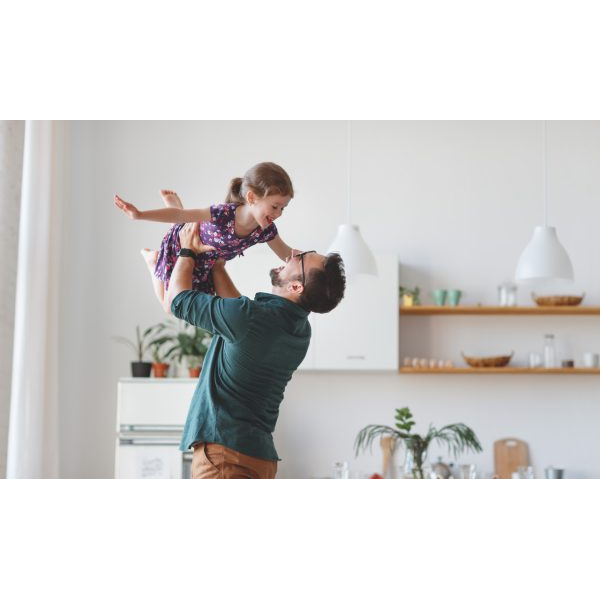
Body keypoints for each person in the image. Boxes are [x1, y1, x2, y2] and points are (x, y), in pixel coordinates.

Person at [168, 222, 346, 479]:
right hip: (258, 458)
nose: (293, 253)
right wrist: (218, 267)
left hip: (224, 457)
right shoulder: (299, 330)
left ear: (296, 287)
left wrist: (187, 251)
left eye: (302, 258)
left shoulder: (250, 318)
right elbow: (240, 319)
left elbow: (178, 300)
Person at [114, 162, 300, 312]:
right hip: (182, 248)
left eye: (283, 208)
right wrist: (139, 214)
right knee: (170, 307)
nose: (279, 213)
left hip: (205, 264)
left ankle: (177, 215)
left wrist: (313, 260)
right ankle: (153, 261)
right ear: (251, 198)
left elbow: (286, 254)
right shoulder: (223, 214)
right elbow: (181, 216)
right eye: (275, 206)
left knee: (191, 305)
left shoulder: (265, 230)